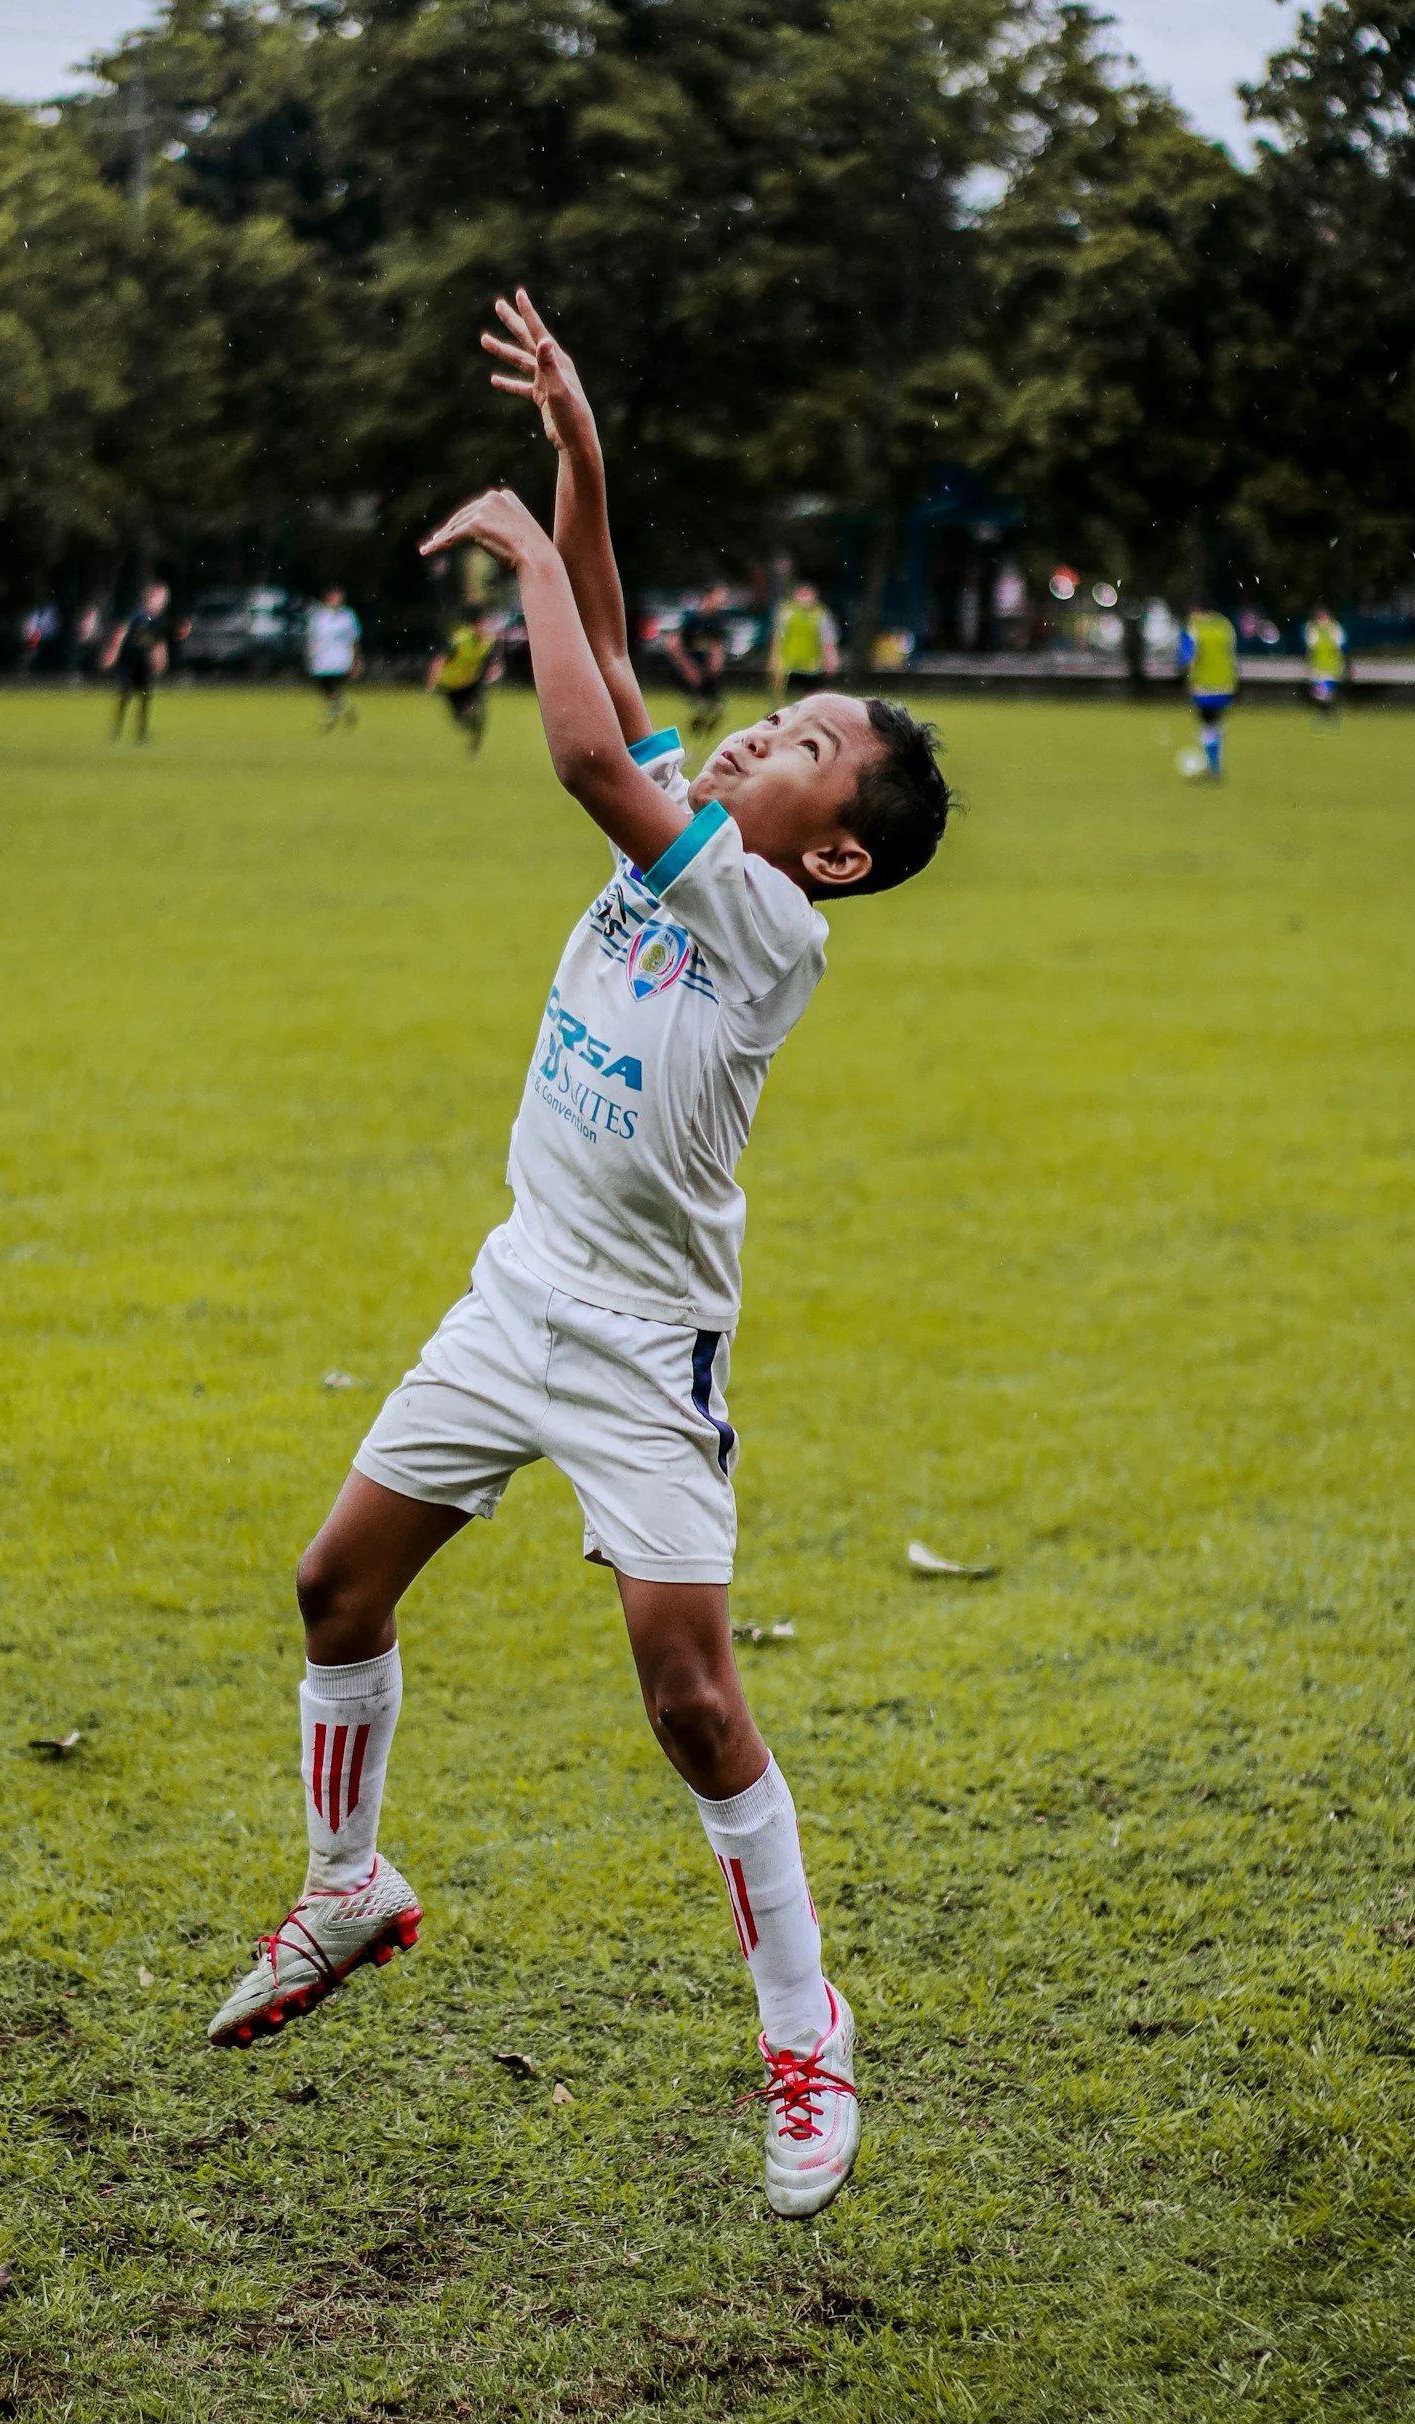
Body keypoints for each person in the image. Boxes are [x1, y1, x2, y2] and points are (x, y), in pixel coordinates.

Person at [206, 286, 953, 2224]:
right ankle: (347, 1885)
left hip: (639, 1345)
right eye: (774, 714)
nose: (749, 733)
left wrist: (529, 547)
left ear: (833, 853)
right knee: (332, 1585)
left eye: (794, 741)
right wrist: (583, 461)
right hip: (518, 1281)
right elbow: (612, 663)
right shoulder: (712, 820)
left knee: (687, 1694)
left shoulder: (760, 923)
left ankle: (804, 2020)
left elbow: (571, 737)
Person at [102, 582, 170, 743]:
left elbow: (158, 642)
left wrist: (160, 659)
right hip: (130, 662)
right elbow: (121, 633)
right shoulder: (138, 616)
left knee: (145, 698)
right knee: (125, 695)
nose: (163, 601)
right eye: (160, 598)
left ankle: (141, 732)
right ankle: (117, 728)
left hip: (143, 664)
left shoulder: (156, 620)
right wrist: (112, 653)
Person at [426, 610, 501, 753]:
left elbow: (491, 661)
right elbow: (439, 659)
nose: (485, 628)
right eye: (482, 624)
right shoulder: (460, 640)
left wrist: (493, 671)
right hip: (451, 683)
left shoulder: (488, 641)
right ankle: (469, 720)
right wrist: (432, 681)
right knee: (460, 718)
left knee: (480, 711)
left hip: (470, 681)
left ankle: (475, 738)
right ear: (474, 626)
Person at [1177, 604, 1238, 780]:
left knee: (1207, 726)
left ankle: (1213, 767)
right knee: (1216, 725)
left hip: (1204, 687)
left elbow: (1185, 656)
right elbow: (1232, 653)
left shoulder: (1194, 627)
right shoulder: (1224, 625)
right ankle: (1214, 765)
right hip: (1226, 685)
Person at [661, 585, 729, 740]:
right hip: (688, 667)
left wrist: (716, 661)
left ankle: (700, 730)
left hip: (704, 670)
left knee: (717, 707)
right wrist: (687, 667)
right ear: (708, 597)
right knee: (702, 703)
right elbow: (673, 644)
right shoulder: (691, 618)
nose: (722, 601)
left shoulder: (717, 619)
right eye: (719, 597)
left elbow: (716, 644)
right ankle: (693, 729)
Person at [770, 581, 838, 703]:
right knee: (790, 703)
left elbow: (828, 640)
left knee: (811, 701)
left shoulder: (820, 614)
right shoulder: (787, 612)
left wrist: (830, 660)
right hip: (790, 666)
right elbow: (778, 638)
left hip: (812, 667)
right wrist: (775, 660)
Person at [307, 586, 362, 730]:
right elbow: (313, 637)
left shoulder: (348, 616)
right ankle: (345, 707)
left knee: (333, 687)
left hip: (341, 658)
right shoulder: (320, 616)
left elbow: (355, 639)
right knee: (325, 688)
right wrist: (311, 653)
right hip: (322, 658)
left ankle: (332, 716)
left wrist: (356, 660)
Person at [1304, 604, 1347, 714]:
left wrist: (1345, 661)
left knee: (1326, 691)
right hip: (1319, 664)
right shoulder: (1313, 628)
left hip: (1332, 664)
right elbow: (1311, 646)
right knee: (1321, 692)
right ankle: (1326, 711)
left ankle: (1327, 711)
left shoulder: (1334, 628)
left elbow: (1341, 645)